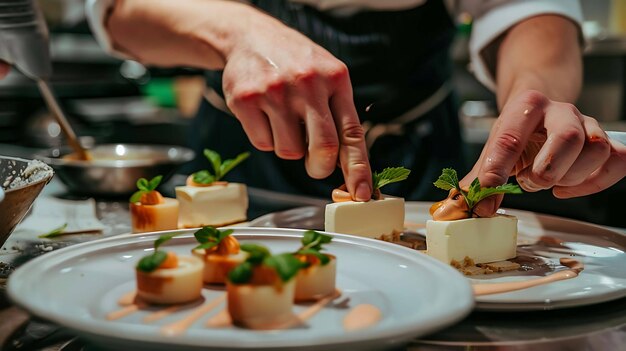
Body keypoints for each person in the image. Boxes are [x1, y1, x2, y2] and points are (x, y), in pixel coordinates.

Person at [85, 0, 626, 217]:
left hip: (420, 151)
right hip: (243, 147)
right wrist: (241, 31)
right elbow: (117, 11)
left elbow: (530, 11)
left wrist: (536, 97)